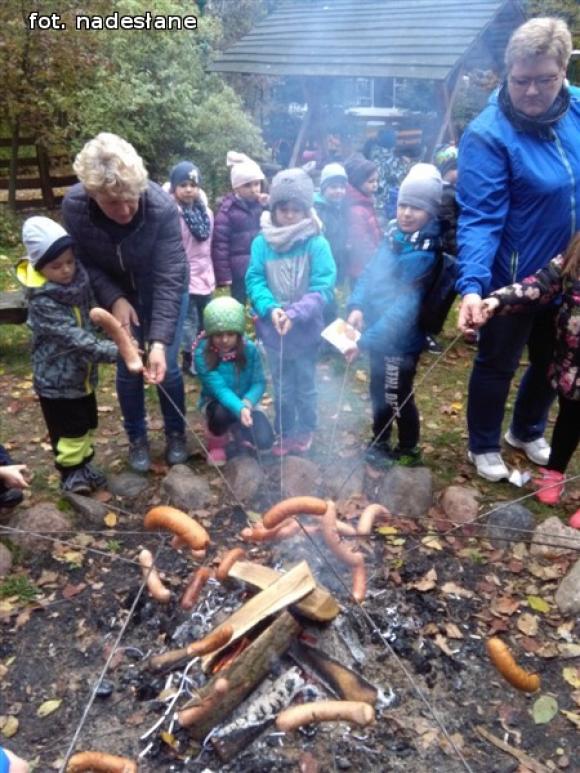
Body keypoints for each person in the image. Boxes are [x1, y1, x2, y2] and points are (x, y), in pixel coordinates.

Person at [456, 17, 580, 482]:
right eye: (520, 80)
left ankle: (526, 430)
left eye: (544, 80)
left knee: (555, 359)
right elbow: (479, 218)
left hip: (567, 273)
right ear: (508, 73)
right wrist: (471, 287)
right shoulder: (490, 134)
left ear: (563, 71)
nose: (531, 92)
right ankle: (483, 443)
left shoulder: (576, 111)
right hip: (509, 277)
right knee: (497, 363)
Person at [62, 133, 190, 473]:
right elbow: (82, 262)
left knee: (168, 366)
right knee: (128, 366)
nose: (124, 210)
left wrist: (159, 341)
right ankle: (137, 437)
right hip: (114, 291)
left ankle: (176, 433)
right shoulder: (75, 207)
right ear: (92, 195)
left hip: (161, 288)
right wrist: (114, 298)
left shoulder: (161, 207)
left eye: (129, 199)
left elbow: (170, 274)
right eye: (111, 203)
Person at [344, 164, 443, 466]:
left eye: (416, 208)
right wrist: (356, 305)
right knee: (379, 390)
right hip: (378, 334)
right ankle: (380, 440)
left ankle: (409, 446)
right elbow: (369, 273)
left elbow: (403, 310)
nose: (407, 213)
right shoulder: (394, 238)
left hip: (400, 342)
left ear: (430, 213)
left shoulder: (424, 253)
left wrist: (364, 341)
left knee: (397, 393)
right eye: (403, 205)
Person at [480, 232, 580, 527]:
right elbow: (537, 286)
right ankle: (555, 472)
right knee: (570, 418)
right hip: (572, 368)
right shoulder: (573, 256)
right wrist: (496, 301)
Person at [17, 217, 117, 494]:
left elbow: (94, 315)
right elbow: (78, 340)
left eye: (70, 261)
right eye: (56, 266)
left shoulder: (78, 283)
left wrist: (115, 332)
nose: (66, 270)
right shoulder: (43, 302)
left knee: (86, 422)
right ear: (40, 267)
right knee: (68, 429)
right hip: (57, 381)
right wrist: (117, 352)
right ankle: (70, 473)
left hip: (81, 375)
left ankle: (84, 465)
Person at [246, 168, 336, 456]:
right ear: (273, 208)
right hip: (273, 330)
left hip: (306, 328)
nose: (289, 215)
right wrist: (270, 308)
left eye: (296, 209)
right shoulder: (262, 243)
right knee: (282, 385)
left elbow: (324, 286)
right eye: (283, 208)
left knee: (305, 384)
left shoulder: (316, 243)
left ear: (306, 210)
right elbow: (255, 279)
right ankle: (285, 432)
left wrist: (296, 313)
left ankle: (306, 428)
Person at [194, 296, 273, 465]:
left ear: (239, 333)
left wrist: (247, 403)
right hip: (217, 402)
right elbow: (219, 389)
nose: (224, 340)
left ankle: (240, 433)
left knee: (265, 440)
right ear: (210, 334)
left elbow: (259, 381)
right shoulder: (202, 353)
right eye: (218, 335)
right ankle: (217, 442)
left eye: (230, 334)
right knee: (220, 416)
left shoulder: (250, 350)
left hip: (246, 402)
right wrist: (240, 408)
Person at [168, 161, 214, 376]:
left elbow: (209, 245)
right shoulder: (170, 215)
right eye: (183, 184)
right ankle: (188, 357)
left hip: (205, 272)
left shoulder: (205, 213)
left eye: (193, 185)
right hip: (183, 274)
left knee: (206, 318)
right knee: (188, 319)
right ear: (174, 187)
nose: (188, 189)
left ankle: (204, 353)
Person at [211, 151, 266, 306]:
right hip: (239, 270)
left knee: (260, 301)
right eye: (247, 185)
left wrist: (268, 204)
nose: (254, 189)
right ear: (236, 188)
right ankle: (238, 329)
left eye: (257, 183)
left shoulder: (261, 206)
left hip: (260, 265)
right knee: (238, 303)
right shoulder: (227, 212)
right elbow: (220, 245)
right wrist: (224, 275)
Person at [313, 162, 348, 327]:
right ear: (323, 188)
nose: (339, 191)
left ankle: (329, 332)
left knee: (331, 298)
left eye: (342, 187)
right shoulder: (318, 210)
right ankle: (322, 334)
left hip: (335, 260)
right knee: (324, 300)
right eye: (333, 187)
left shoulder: (338, 207)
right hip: (321, 263)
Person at [344, 153, 381, 285]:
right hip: (360, 267)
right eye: (371, 181)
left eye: (376, 180)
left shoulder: (366, 201)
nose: (375, 185)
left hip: (368, 264)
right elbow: (359, 240)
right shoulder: (356, 209)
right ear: (357, 182)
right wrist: (375, 254)